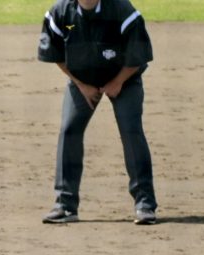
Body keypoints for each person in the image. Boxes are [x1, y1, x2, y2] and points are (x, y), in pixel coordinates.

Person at [37, 0, 158, 225]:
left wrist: (117, 82)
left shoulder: (122, 10)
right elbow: (56, 53)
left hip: (125, 79)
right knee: (69, 130)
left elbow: (139, 52)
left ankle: (145, 204)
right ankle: (65, 205)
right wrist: (81, 85)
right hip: (82, 80)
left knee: (131, 130)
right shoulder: (61, 13)